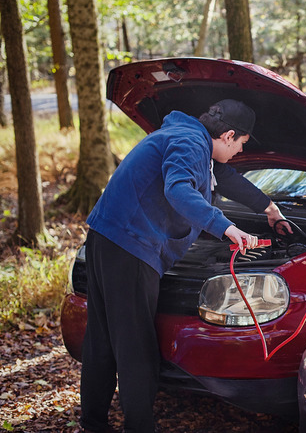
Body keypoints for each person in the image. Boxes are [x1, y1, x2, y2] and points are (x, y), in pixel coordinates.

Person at [79, 99, 289, 432]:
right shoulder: (190, 142)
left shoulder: (189, 136)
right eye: (241, 145)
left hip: (106, 237)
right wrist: (226, 227)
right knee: (135, 345)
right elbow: (178, 189)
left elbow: (227, 177)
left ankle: (92, 423)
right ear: (229, 135)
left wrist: (268, 206)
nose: (238, 152)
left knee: (102, 337)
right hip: (130, 245)